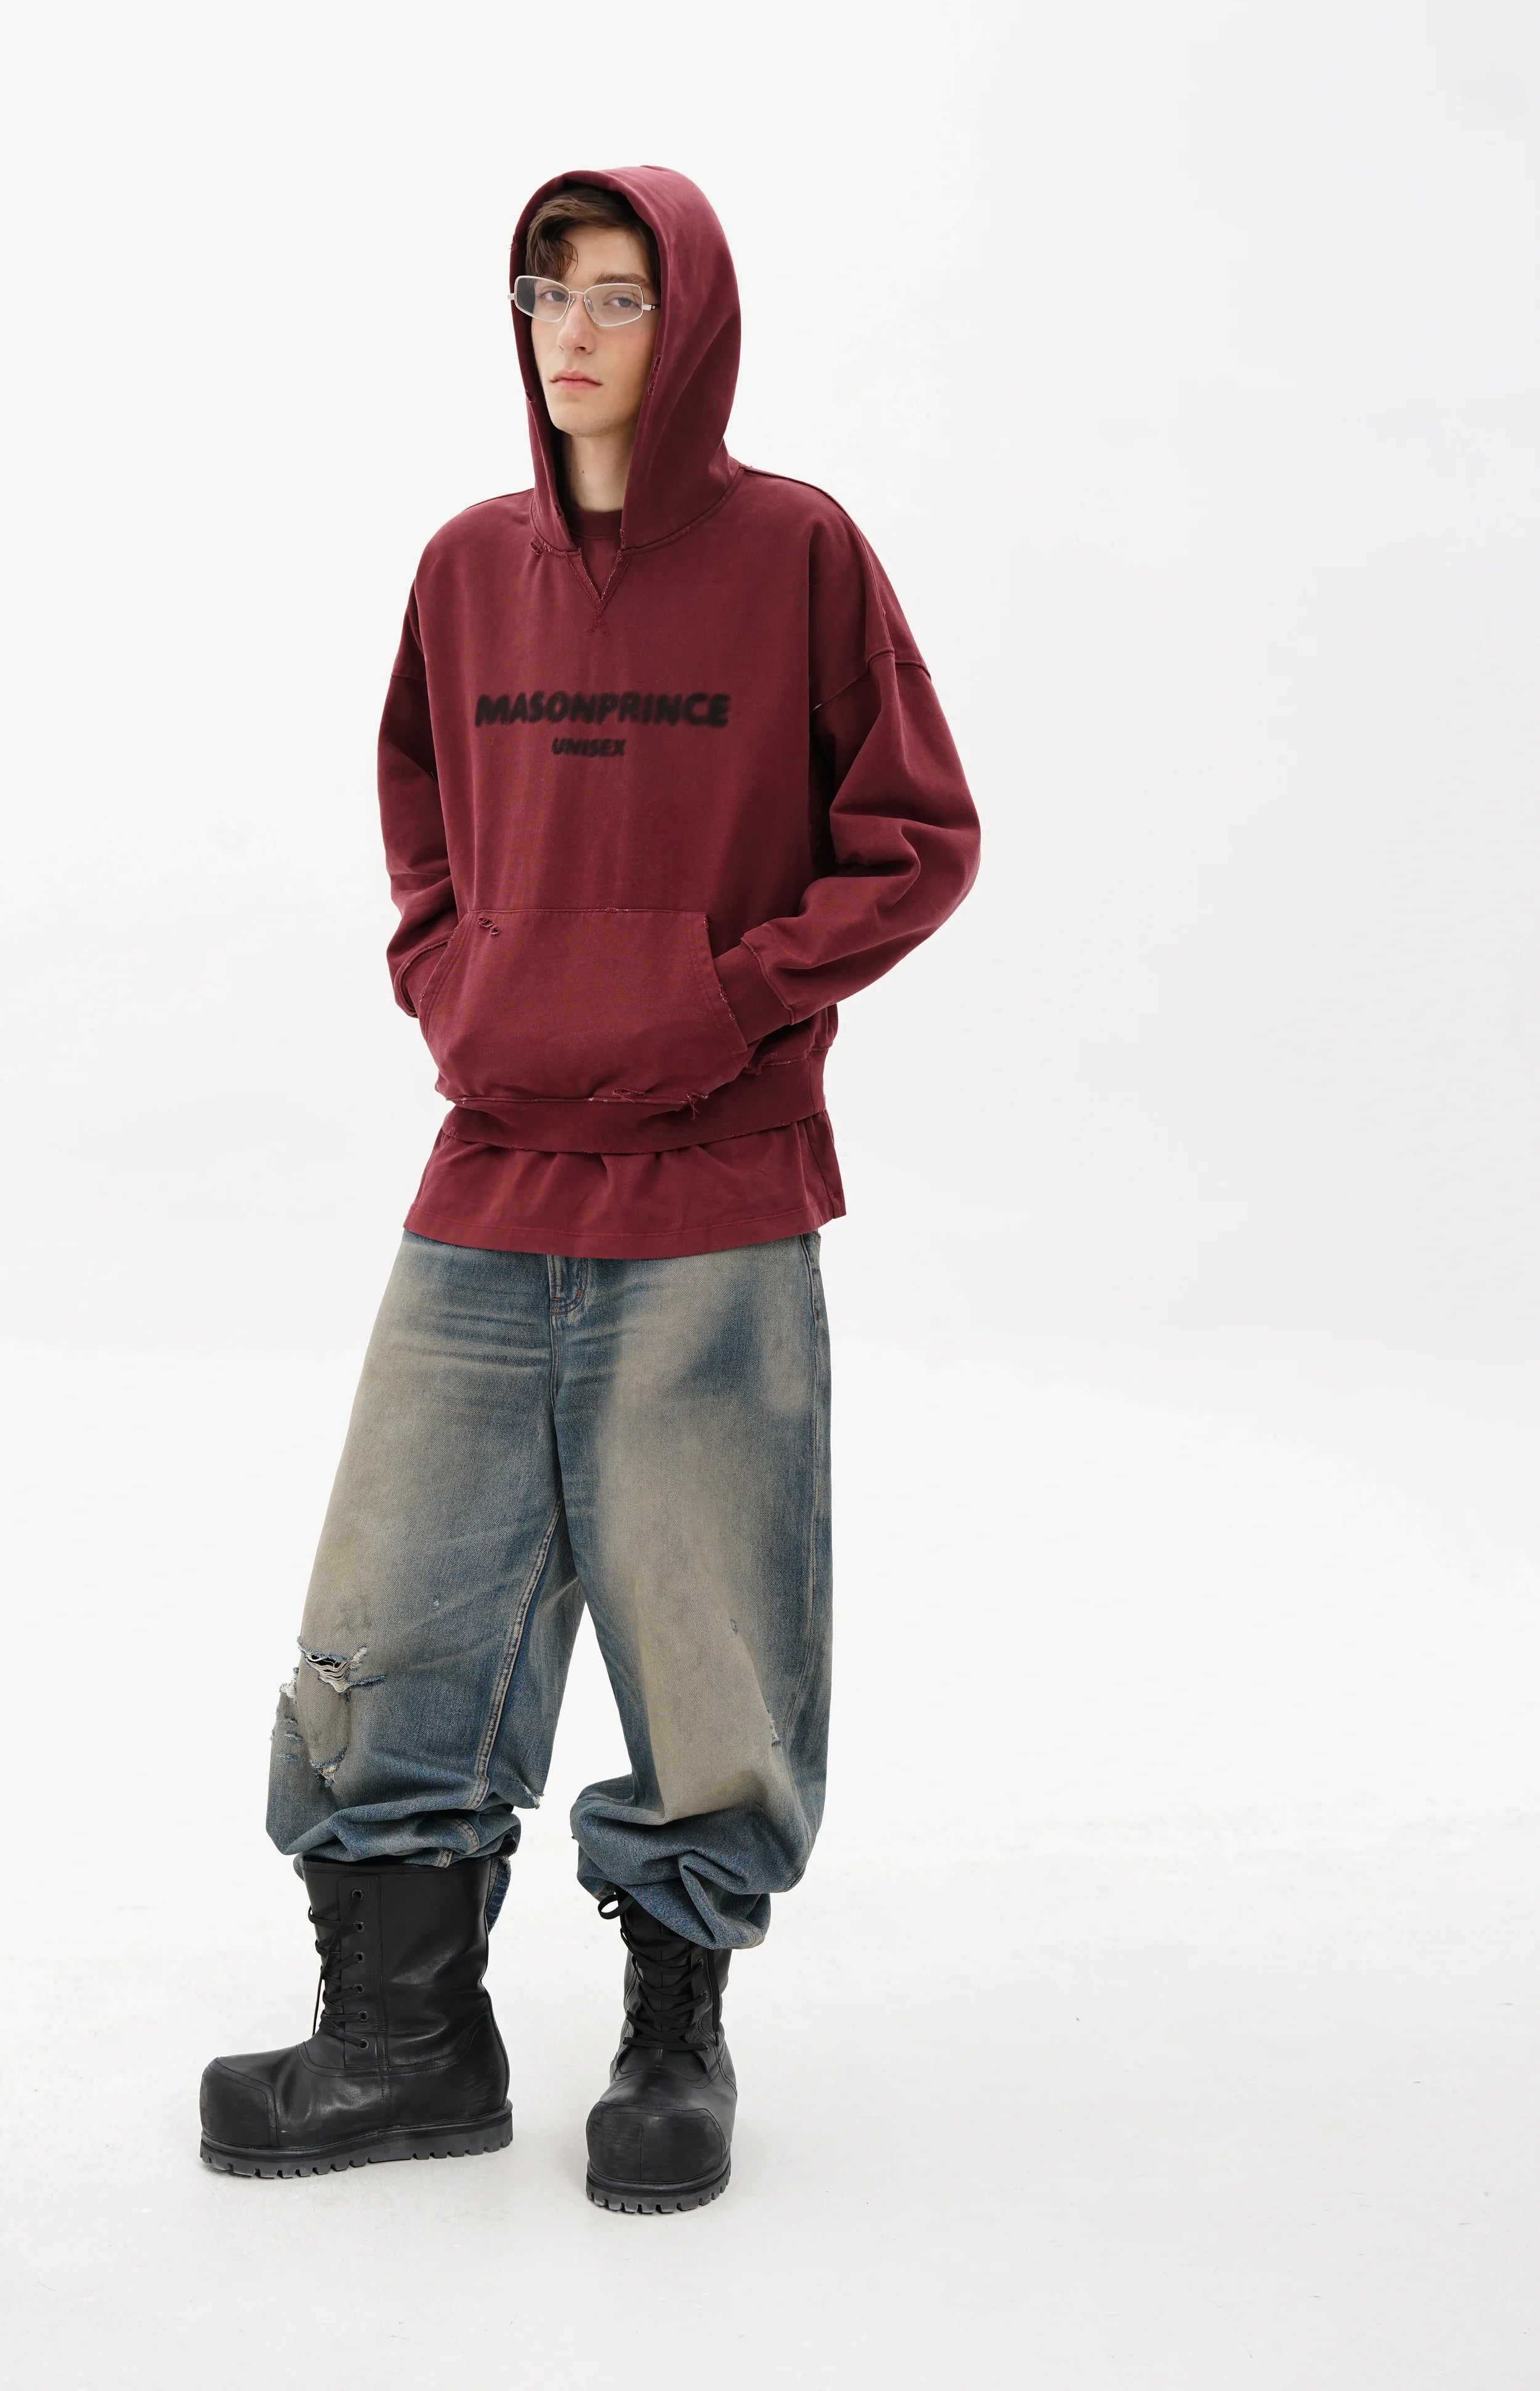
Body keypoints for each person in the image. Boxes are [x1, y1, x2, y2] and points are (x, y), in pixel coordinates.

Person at [199, 165, 980, 2213]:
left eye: (619, 297)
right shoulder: (468, 571)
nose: (572, 333)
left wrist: (723, 997)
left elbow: (917, 837)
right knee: (394, 1595)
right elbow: (420, 824)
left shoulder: (799, 554)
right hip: (493, 1172)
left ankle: (672, 2039)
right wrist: (461, 986)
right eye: (545, 292)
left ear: (690, 320)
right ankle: (404, 2041)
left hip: (714, 1183)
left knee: (711, 1626)